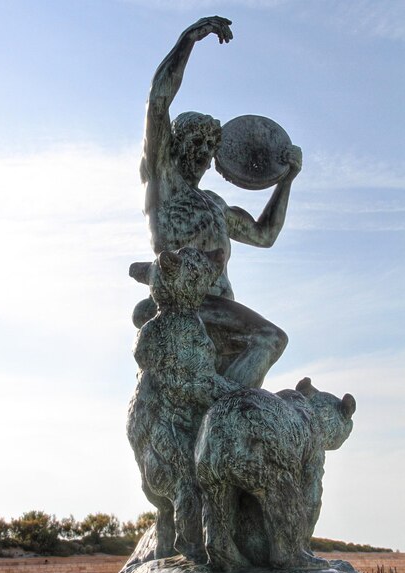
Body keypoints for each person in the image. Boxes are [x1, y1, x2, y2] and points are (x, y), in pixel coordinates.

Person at [133, 16, 302, 388]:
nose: (204, 154)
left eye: (210, 147)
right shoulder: (165, 184)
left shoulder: (215, 205)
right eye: (196, 143)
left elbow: (264, 235)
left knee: (265, 345)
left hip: (222, 315)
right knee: (269, 339)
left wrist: (286, 180)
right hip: (186, 307)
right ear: (176, 144)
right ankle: (231, 407)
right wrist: (188, 41)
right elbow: (157, 104)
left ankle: (231, 412)